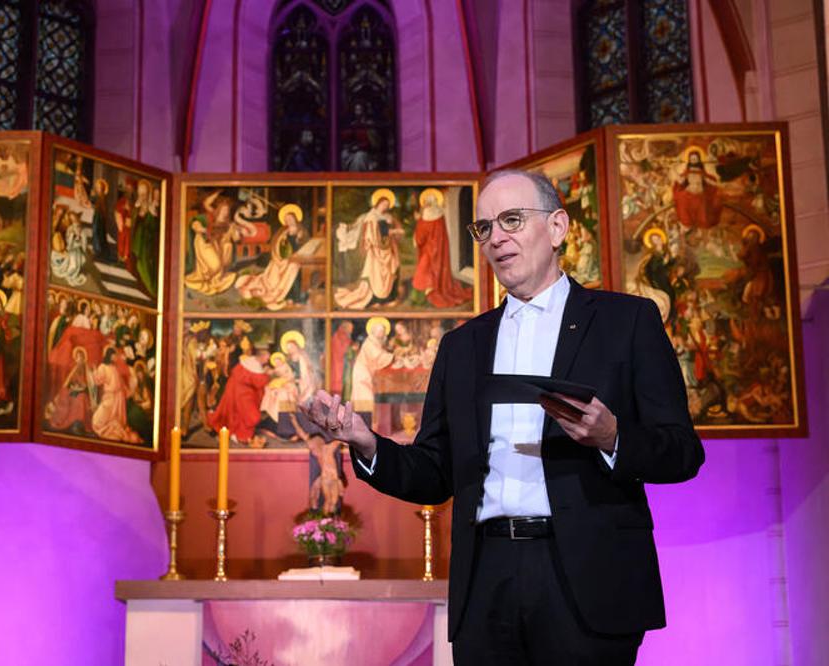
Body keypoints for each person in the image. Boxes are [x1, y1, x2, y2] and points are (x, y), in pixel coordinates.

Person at [300, 170, 704, 664]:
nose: (496, 237)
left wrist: (612, 436)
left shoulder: (627, 321)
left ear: (558, 228)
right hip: (486, 579)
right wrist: (366, 443)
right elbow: (434, 474)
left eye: (512, 220)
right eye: (484, 228)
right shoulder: (462, 346)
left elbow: (681, 453)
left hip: (588, 576)